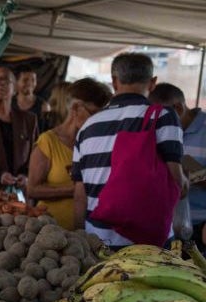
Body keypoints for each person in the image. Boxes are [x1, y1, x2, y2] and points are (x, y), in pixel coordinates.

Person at [72, 52, 187, 248]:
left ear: (114, 82)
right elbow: (176, 180)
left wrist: (80, 237)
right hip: (149, 243)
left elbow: (80, 194)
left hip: (98, 241)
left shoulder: (87, 127)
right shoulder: (163, 116)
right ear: (152, 83)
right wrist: (186, 183)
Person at [26, 78, 111, 230]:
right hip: (52, 230)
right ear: (76, 108)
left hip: (91, 232)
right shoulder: (48, 141)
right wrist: (77, 190)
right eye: (94, 114)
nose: (99, 121)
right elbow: (32, 189)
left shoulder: (96, 143)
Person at [149, 82, 206, 249]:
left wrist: (184, 170)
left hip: (199, 227)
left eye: (161, 115)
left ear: (179, 109)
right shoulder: (157, 130)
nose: (157, 121)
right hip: (164, 228)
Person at [13, 64, 50, 130]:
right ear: (16, 82)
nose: (30, 84)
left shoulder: (43, 106)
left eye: (33, 80)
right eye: (25, 80)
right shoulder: (9, 103)